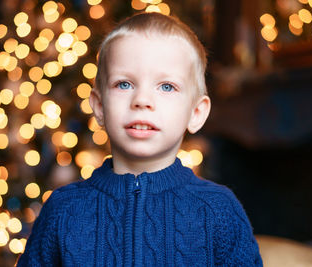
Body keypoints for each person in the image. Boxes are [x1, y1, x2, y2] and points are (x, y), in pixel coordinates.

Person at [17, 12, 262, 266]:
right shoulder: (63, 210)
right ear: (99, 107)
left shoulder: (219, 210)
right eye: (124, 84)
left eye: (167, 86)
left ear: (196, 113)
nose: (142, 100)